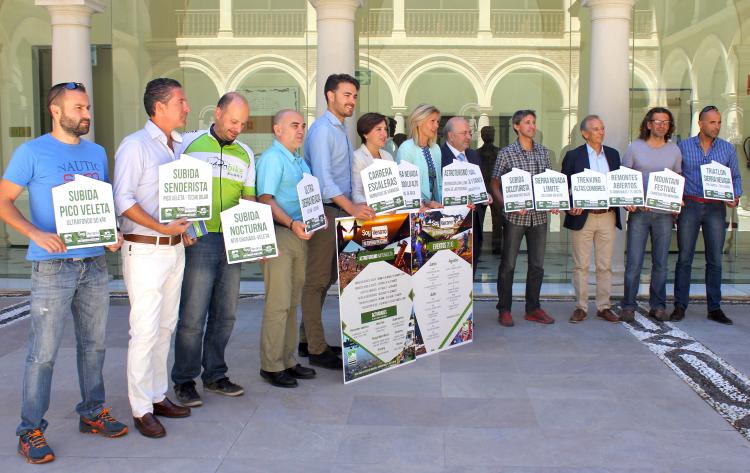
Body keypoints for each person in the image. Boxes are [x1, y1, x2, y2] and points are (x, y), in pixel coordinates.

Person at [0, 82, 127, 464]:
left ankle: (92, 411)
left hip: (94, 262)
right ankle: (30, 430)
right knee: (43, 353)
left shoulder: (97, 152)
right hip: (53, 266)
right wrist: (35, 232)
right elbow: (4, 200)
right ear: (56, 111)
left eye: (87, 107)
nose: (87, 114)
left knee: (95, 346)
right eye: (79, 108)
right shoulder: (31, 152)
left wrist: (111, 233)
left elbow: (99, 202)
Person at [113, 78, 193, 438]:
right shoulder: (135, 146)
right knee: (144, 331)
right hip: (144, 249)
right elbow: (123, 199)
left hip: (174, 249)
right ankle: (141, 407)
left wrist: (180, 229)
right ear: (159, 107)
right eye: (180, 101)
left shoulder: (176, 147)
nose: (186, 107)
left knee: (165, 327)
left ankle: (158, 395)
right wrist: (163, 227)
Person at [170, 92, 255, 407]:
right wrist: (182, 227)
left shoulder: (246, 153)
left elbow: (249, 200)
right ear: (218, 113)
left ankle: (216, 374)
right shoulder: (188, 145)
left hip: (234, 239)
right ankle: (184, 380)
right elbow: (173, 188)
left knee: (226, 314)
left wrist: (254, 236)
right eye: (233, 121)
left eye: (243, 124)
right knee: (192, 315)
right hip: (200, 238)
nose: (237, 128)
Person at [301, 74, 375, 369]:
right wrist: (353, 208)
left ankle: (308, 340)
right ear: (330, 95)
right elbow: (324, 180)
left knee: (327, 278)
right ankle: (316, 349)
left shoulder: (339, 129)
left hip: (338, 210)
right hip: (325, 209)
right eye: (346, 94)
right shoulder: (322, 130)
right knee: (316, 281)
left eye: (354, 96)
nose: (351, 101)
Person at [256, 109, 317, 387]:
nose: (300, 130)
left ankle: (288, 360)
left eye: (303, 125)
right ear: (277, 129)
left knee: (292, 302)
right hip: (280, 232)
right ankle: (271, 365)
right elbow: (265, 199)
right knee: (278, 303)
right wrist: (292, 223)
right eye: (294, 125)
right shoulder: (272, 158)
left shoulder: (298, 160)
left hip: (299, 234)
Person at [672, 105, 742, 324]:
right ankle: (680, 305)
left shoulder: (727, 149)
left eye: (719, 122)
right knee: (684, 258)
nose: (717, 126)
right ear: (700, 123)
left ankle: (714, 307)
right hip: (690, 205)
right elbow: (675, 175)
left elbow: (736, 177)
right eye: (712, 122)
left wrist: (735, 195)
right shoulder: (682, 147)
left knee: (715, 259)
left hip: (715, 208)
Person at [489, 110, 558, 327]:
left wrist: (554, 200)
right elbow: (494, 183)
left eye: (533, 122)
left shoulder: (544, 153)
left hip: (539, 217)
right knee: (508, 265)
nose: (531, 126)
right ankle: (505, 309)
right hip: (515, 219)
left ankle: (533, 308)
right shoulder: (507, 153)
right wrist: (506, 206)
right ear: (516, 126)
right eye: (527, 122)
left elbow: (549, 183)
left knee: (537, 265)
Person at [620, 107, 682, 323]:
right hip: (639, 214)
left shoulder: (674, 150)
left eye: (666, 122)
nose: (661, 125)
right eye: (657, 121)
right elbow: (624, 178)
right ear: (648, 124)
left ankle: (658, 306)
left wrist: (677, 201)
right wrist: (631, 201)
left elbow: (677, 179)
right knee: (634, 262)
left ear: (669, 126)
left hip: (664, 215)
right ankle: (628, 305)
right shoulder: (634, 148)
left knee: (661, 263)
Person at [561, 115, 621, 324]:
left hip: (606, 215)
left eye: (602, 128)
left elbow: (620, 184)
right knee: (581, 265)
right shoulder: (573, 156)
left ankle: (604, 306)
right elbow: (563, 186)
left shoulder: (613, 155)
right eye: (596, 129)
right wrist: (570, 206)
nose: (601, 132)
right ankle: (581, 306)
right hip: (583, 218)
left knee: (605, 265)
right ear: (585, 134)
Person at [440, 116, 492, 274]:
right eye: (465, 133)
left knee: (470, 271)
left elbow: (477, 183)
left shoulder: (474, 155)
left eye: (470, 133)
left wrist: (485, 195)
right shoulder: (439, 155)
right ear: (451, 135)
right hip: (451, 225)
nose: (469, 137)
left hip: (473, 223)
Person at [396, 104, 443, 208]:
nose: (436, 126)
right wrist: (427, 203)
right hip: (414, 212)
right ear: (419, 121)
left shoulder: (436, 149)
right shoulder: (406, 149)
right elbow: (404, 187)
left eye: (437, 122)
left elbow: (439, 183)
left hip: (435, 209)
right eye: (432, 121)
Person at [351, 112, 395, 204]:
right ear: (365, 134)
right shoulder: (357, 157)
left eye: (385, 129)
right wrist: (376, 207)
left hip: (391, 213)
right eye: (379, 129)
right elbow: (356, 194)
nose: (384, 134)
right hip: (370, 214)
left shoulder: (388, 156)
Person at [478, 125, 504, 255]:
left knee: (498, 221)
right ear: (482, 136)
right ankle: (478, 246)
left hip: (495, 189)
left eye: (490, 132)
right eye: (486, 133)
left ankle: (497, 246)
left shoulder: (500, 152)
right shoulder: (476, 153)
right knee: (479, 220)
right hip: (481, 190)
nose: (488, 135)